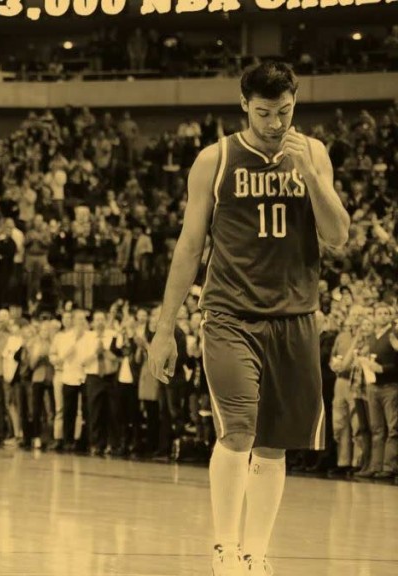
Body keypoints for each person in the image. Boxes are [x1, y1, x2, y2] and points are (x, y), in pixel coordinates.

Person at [146, 61, 350, 576]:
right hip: (230, 314)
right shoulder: (214, 160)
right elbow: (189, 247)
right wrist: (164, 329)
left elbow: (338, 235)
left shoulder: (314, 154)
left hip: (296, 316)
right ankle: (224, 550)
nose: (275, 123)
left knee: (274, 444)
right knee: (238, 430)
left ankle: (256, 553)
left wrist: (311, 178)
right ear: (244, 105)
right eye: (264, 113)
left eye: (285, 111)